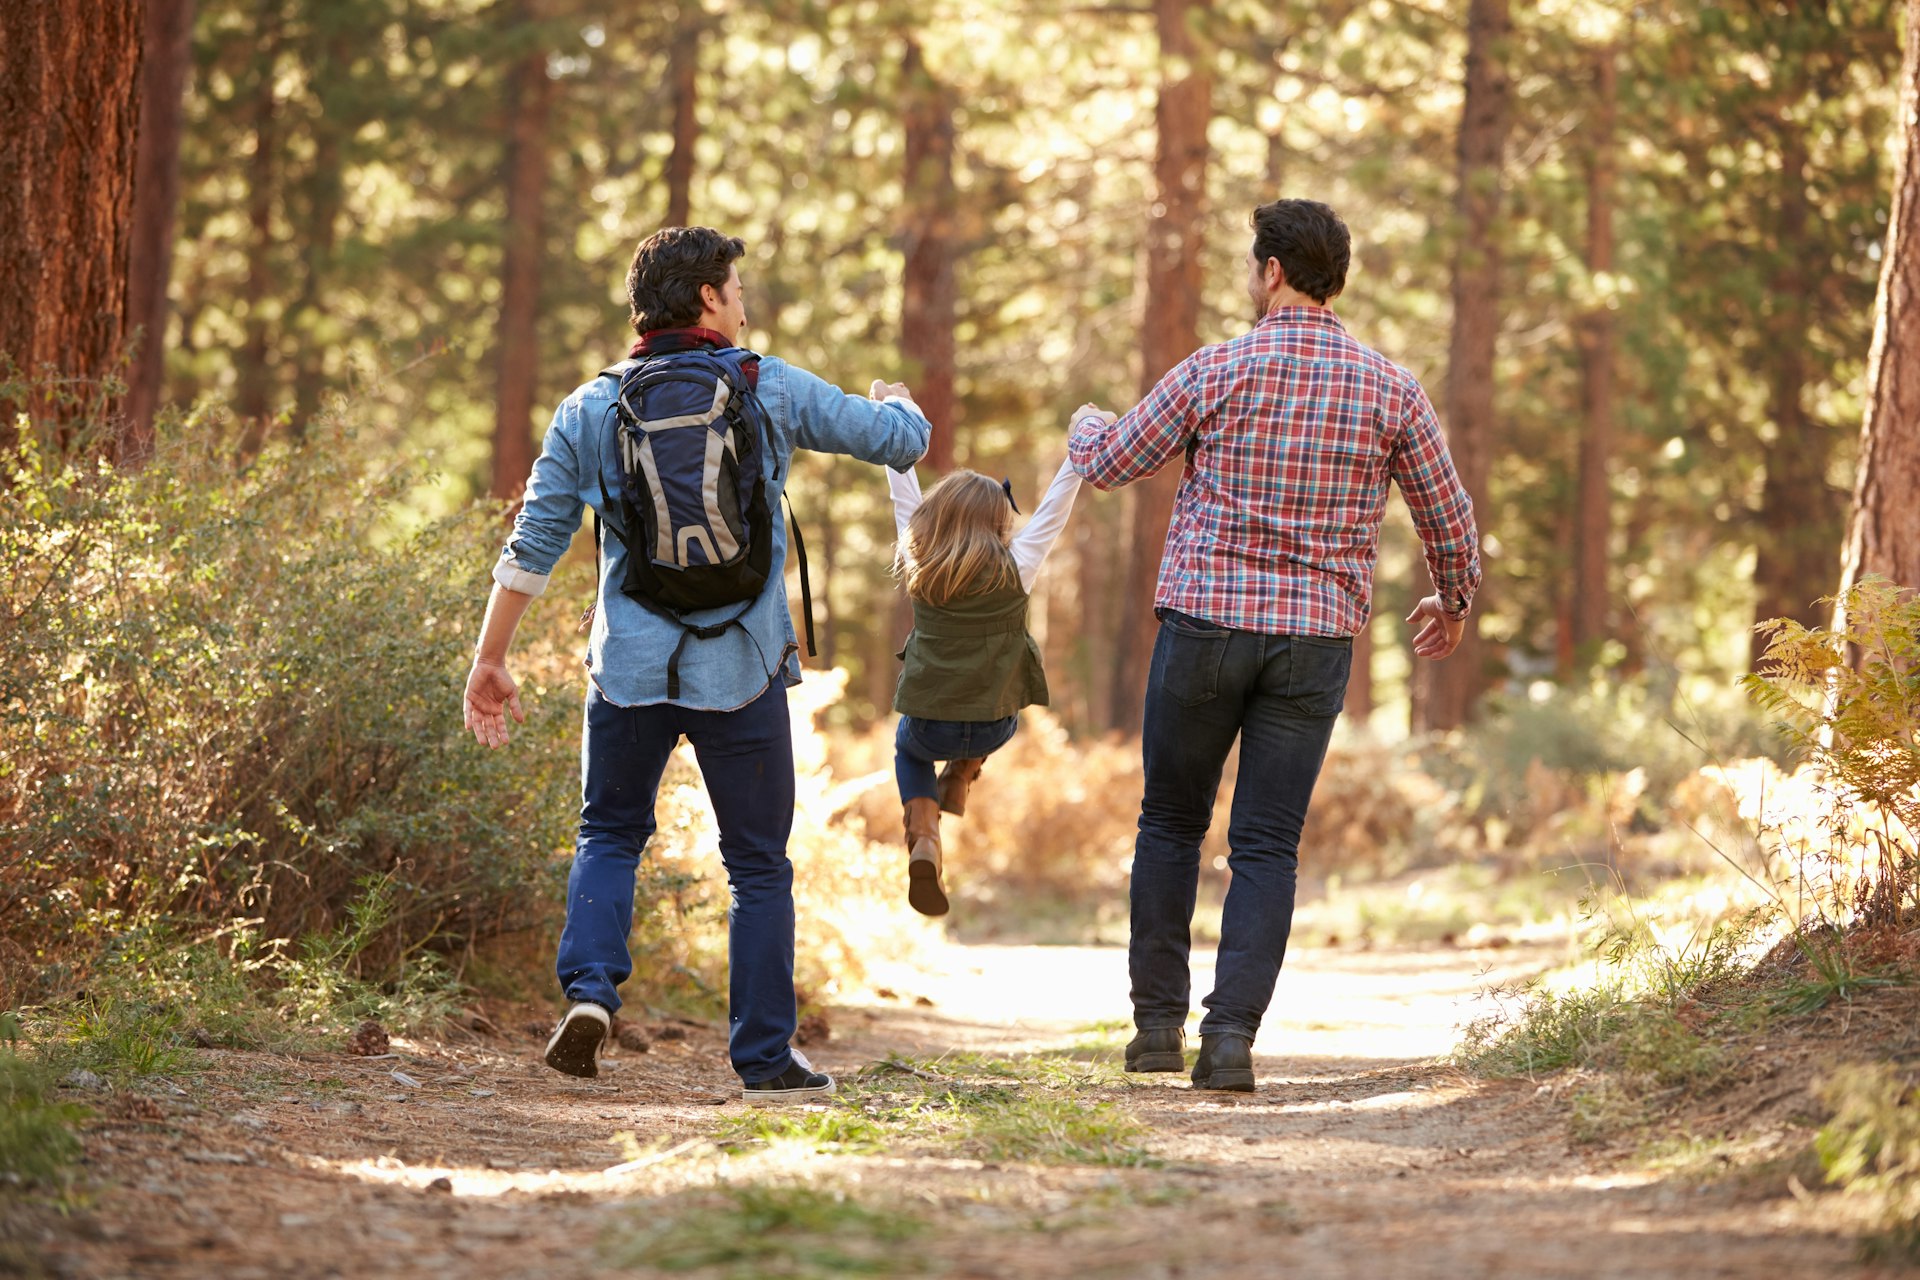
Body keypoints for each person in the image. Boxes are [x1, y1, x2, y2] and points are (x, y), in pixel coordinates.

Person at [461, 225, 929, 1103]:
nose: (745, 304)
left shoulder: (590, 408)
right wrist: (904, 410)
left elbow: (533, 545)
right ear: (709, 298)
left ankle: (592, 994)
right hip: (743, 670)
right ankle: (763, 1059)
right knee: (757, 866)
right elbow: (895, 442)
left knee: (609, 833)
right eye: (738, 289)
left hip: (630, 669)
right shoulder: (765, 385)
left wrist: (492, 657)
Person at [1068, 198, 1480, 1093]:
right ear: (1335, 280)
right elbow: (1449, 514)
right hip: (1315, 643)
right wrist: (1452, 600)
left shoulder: (1217, 369)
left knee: (1171, 821)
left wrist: (1085, 425)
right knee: (1266, 846)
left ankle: (1154, 1032)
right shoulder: (1391, 387)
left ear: (1271, 272)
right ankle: (1230, 1042)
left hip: (1206, 627)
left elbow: (1109, 464)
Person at [884, 437, 1086, 916]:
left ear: (936, 517)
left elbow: (901, 490)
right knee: (988, 701)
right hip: (995, 725)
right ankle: (961, 774)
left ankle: (926, 837)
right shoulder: (1017, 567)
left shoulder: (919, 560)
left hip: (930, 724)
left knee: (907, 749)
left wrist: (892, 410)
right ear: (998, 520)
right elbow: (1055, 507)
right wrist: (1082, 441)